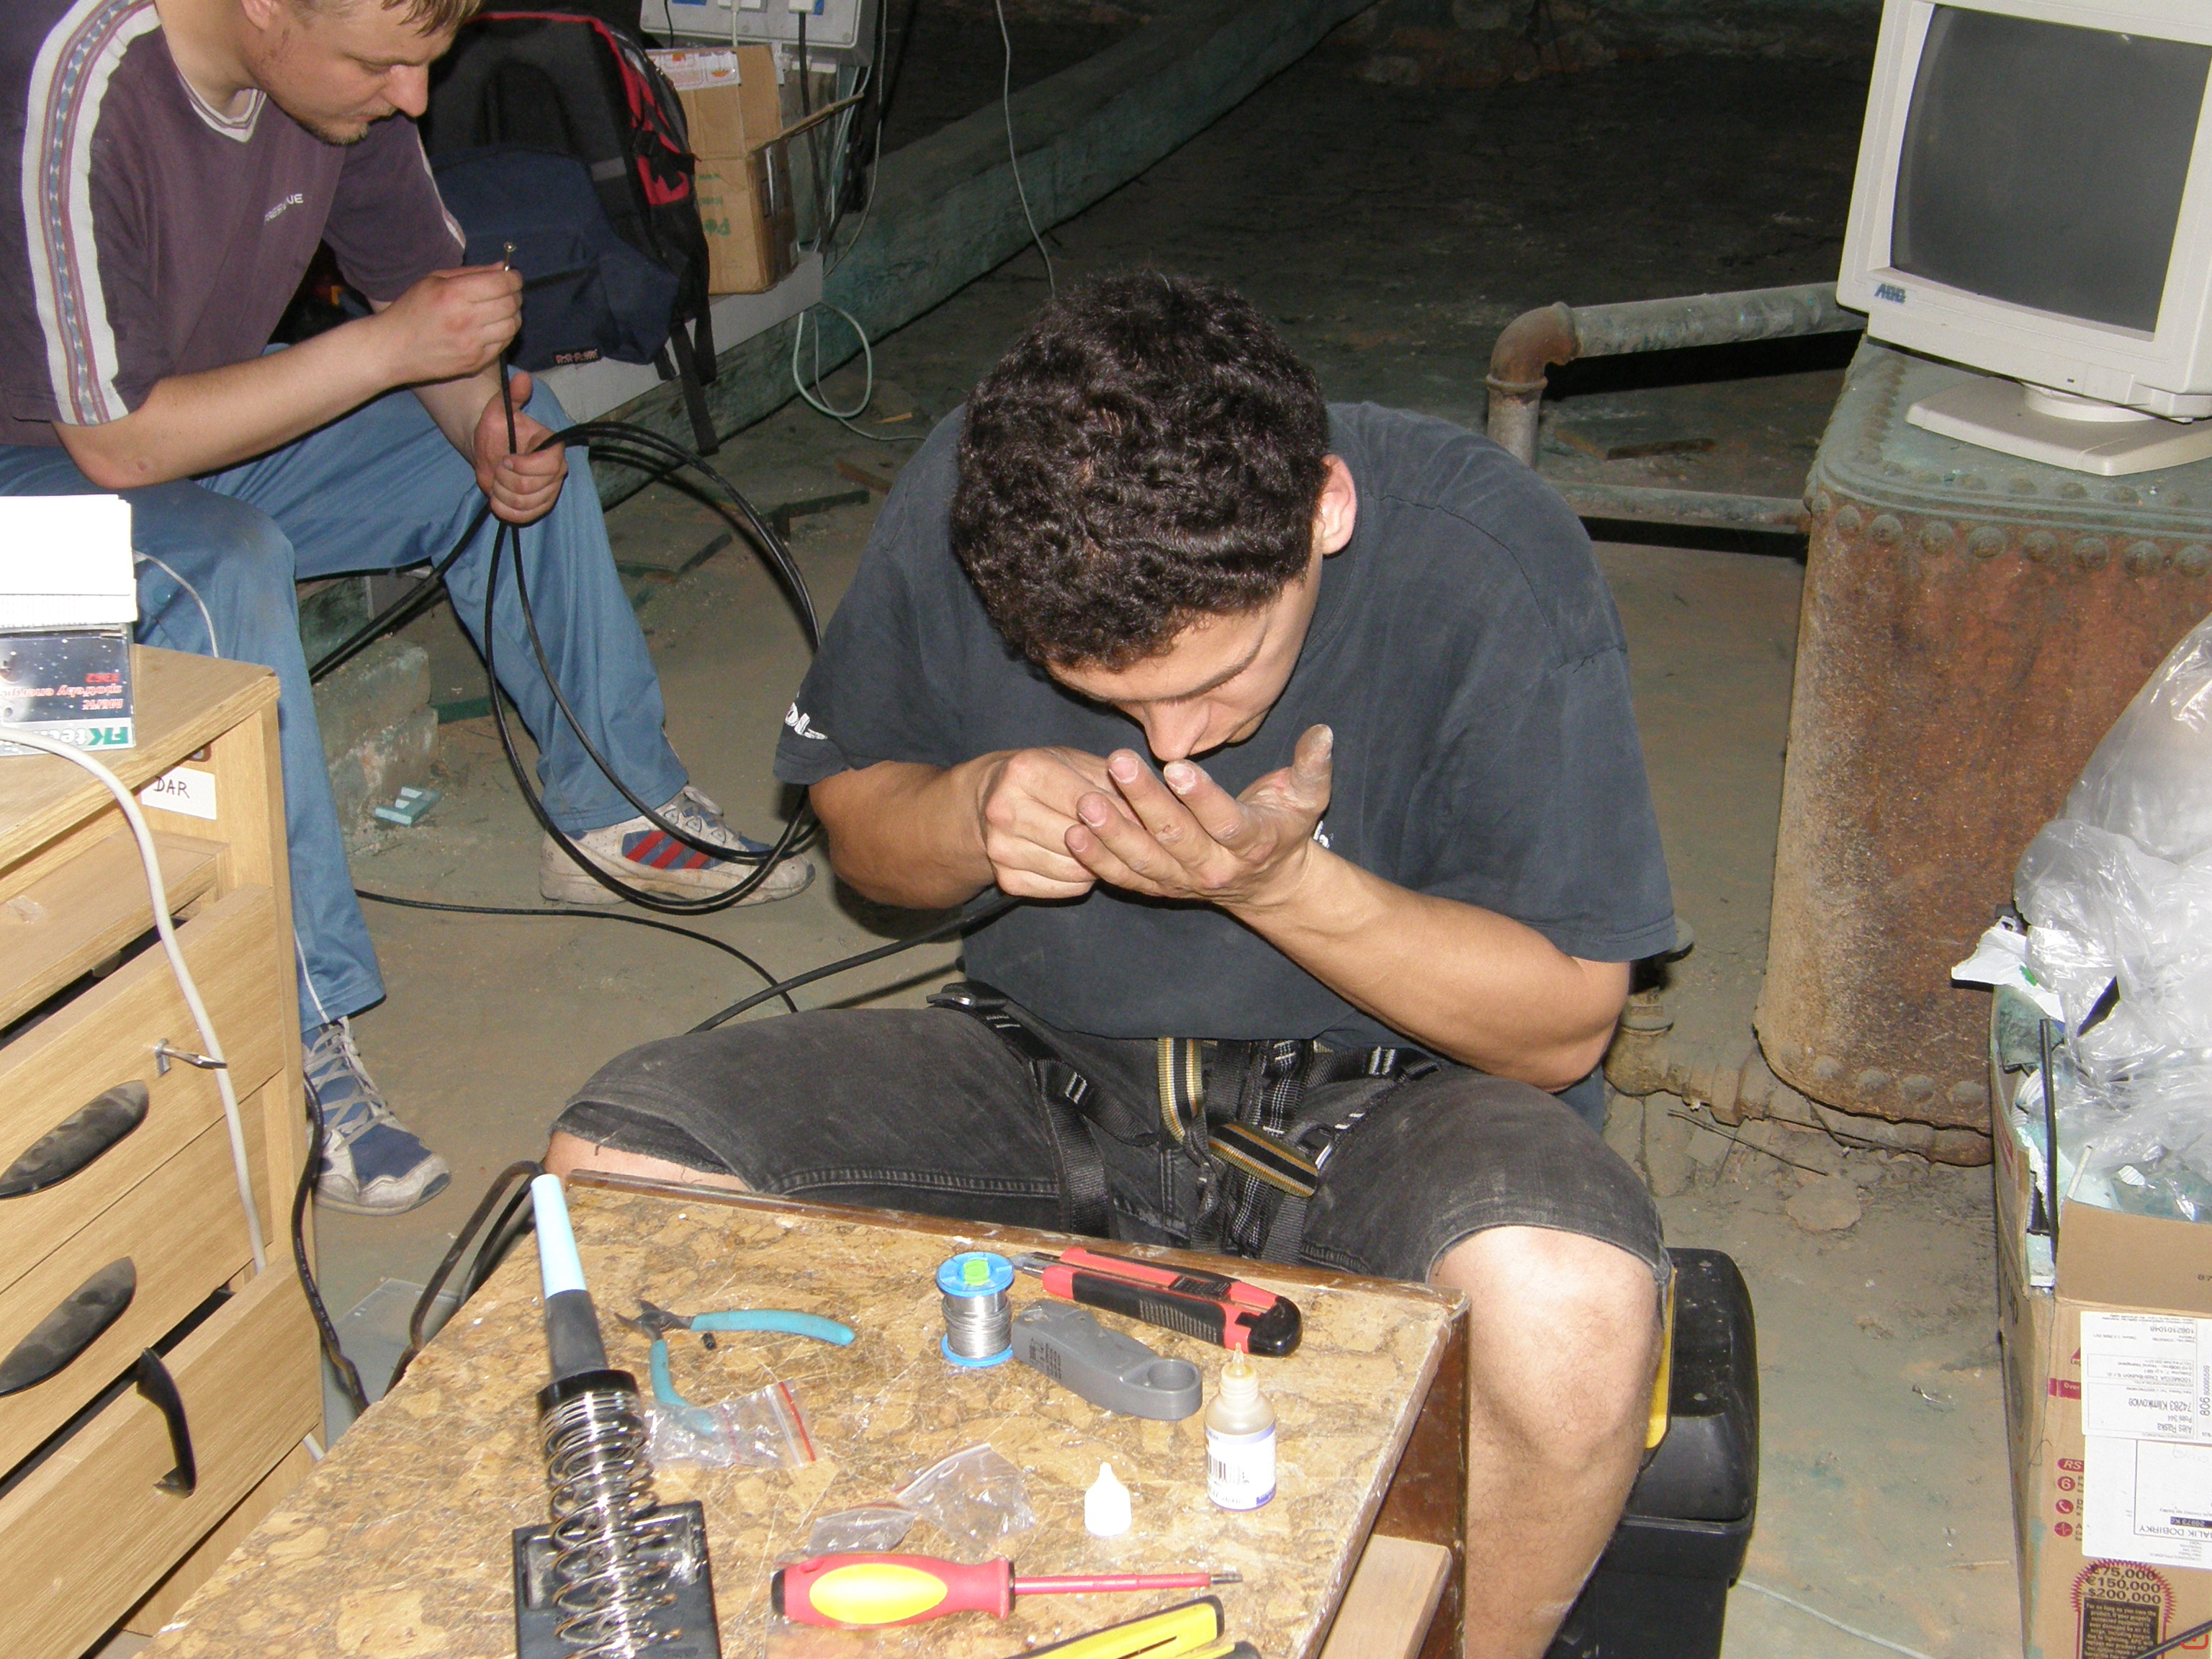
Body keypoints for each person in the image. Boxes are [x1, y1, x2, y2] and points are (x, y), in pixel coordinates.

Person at [547, 272, 1676, 1658]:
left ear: (1324, 509)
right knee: (619, 1174)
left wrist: (1286, 890)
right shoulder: (981, 498)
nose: (1175, 744)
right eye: (1108, 699)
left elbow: (1566, 1025)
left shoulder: (1489, 557)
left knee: (1571, 1310)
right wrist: (970, 812)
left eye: (1218, 677)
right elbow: (860, 835)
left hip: (1389, 1103)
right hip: (1047, 1072)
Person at [0, 0, 812, 1216]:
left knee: (527, 440)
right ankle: (282, 1033)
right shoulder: (80, 79)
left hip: (177, 434)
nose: (414, 97)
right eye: (383, 65)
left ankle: (610, 806)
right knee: (221, 568)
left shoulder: (338, 70)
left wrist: (485, 431)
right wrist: (387, 349)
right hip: (38, 486)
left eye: (423, 62)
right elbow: (117, 447)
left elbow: (421, 312)